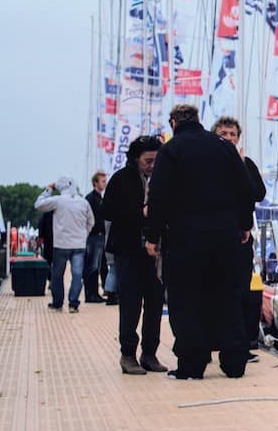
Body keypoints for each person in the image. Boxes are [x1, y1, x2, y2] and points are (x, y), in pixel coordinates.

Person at [145, 104, 254, 380]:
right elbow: (245, 189)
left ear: (173, 123)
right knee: (228, 297)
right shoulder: (223, 146)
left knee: (186, 300)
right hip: (225, 236)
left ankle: (192, 365)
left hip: (185, 238)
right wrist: (244, 225)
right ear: (198, 120)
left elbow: (158, 195)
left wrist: (152, 236)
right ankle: (234, 362)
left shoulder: (171, 150)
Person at [105, 135, 166, 375]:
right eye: (148, 161)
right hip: (129, 249)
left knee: (155, 303)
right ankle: (127, 354)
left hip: (158, 251)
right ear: (136, 159)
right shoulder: (121, 179)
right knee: (130, 303)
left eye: (156, 161)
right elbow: (107, 210)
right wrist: (139, 211)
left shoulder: (165, 179)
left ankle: (150, 353)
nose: (152, 165)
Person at [211, 116, 267, 360]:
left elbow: (259, 193)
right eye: (224, 133)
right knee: (213, 290)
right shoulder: (207, 164)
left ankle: (239, 346)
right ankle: (212, 341)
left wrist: (243, 168)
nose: (229, 137)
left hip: (241, 237)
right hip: (214, 236)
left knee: (241, 291)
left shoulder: (246, 163)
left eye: (232, 134)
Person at [34, 177, 95, 313]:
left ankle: (57, 302)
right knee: (77, 275)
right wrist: (84, 234)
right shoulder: (83, 202)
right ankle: (73, 303)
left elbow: (38, 204)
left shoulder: (58, 201)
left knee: (57, 275)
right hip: (79, 244)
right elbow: (91, 221)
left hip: (61, 244)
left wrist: (49, 189)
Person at [83, 171, 107, 303]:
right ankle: (90, 294)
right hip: (94, 236)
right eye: (102, 181)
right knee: (92, 265)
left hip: (99, 235)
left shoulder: (99, 198)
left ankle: (94, 293)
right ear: (95, 183)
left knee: (97, 265)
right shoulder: (91, 199)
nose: (105, 183)